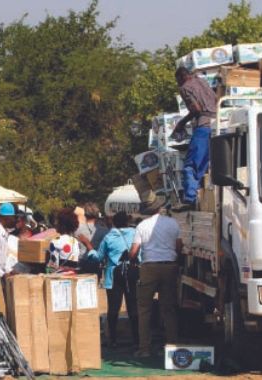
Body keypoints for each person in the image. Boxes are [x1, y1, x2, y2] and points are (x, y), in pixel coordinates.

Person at [129, 195, 182, 357]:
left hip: (149, 266)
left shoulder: (142, 226)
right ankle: (172, 346)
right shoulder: (173, 223)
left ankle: (144, 348)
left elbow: (134, 251)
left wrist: (132, 260)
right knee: (169, 308)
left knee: (144, 309)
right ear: (160, 208)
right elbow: (179, 246)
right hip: (169, 266)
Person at [84, 212, 139, 347]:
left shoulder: (109, 237)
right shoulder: (135, 233)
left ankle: (112, 340)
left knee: (113, 308)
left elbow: (99, 257)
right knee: (133, 306)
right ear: (127, 222)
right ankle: (137, 340)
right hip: (132, 272)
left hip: (114, 274)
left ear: (114, 223)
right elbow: (141, 253)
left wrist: (88, 246)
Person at [173, 67, 217, 210]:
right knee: (208, 163)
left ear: (181, 77)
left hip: (204, 126)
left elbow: (196, 109)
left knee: (191, 165)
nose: (178, 84)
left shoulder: (185, 87)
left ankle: (190, 198)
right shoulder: (202, 81)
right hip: (219, 124)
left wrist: (181, 123)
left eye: (177, 81)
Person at [76, 202, 109, 274]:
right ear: (97, 215)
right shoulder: (104, 231)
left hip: (80, 263)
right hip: (96, 265)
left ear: (85, 214)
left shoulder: (77, 229)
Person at [47, 208, 81, 273]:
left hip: (60, 278)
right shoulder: (75, 241)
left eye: (57, 221)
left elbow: (53, 265)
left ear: (62, 224)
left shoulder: (55, 241)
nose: (55, 223)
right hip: (72, 275)